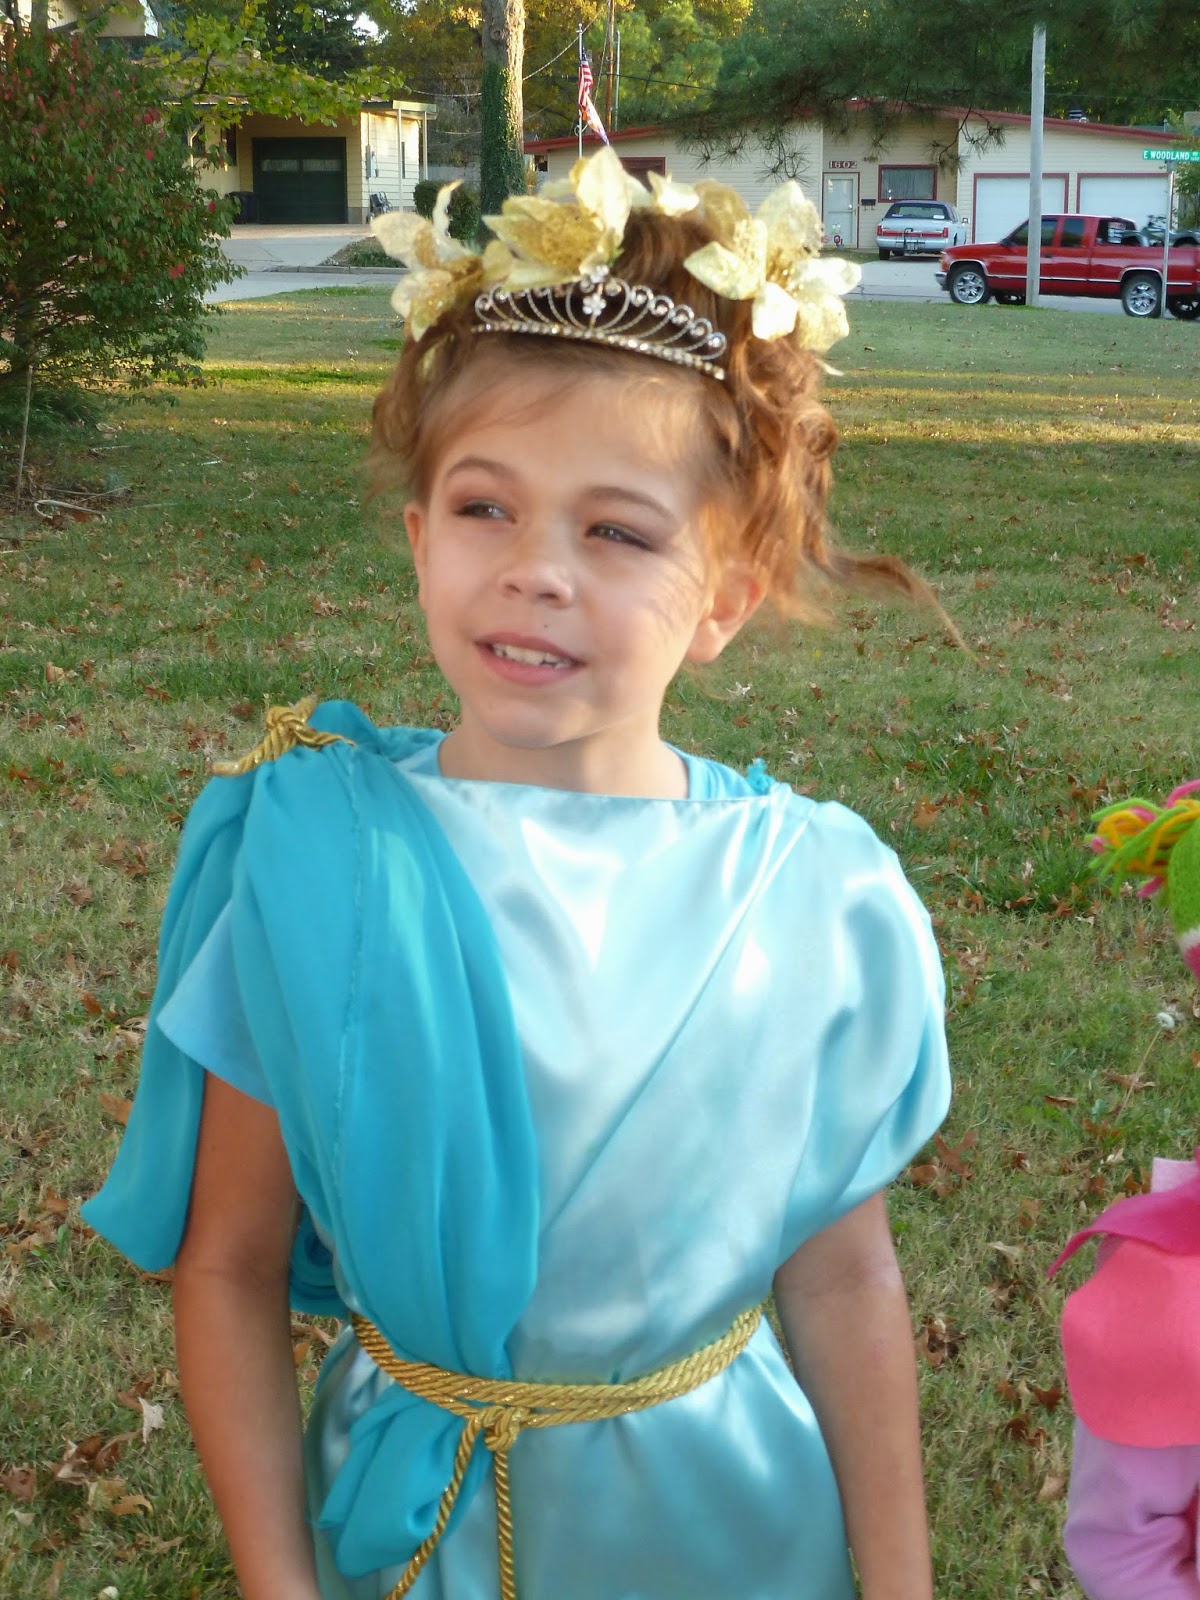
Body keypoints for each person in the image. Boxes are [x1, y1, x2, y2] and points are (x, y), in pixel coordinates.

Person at [83, 148, 952, 1600]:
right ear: (419, 538)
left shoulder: (811, 893)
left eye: (617, 531)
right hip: (409, 1538)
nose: (537, 569)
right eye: (486, 507)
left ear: (726, 599)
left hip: (727, 1534)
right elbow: (229, 1263)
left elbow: (843, 1274)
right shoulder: (313, 861)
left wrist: (903, 1582)